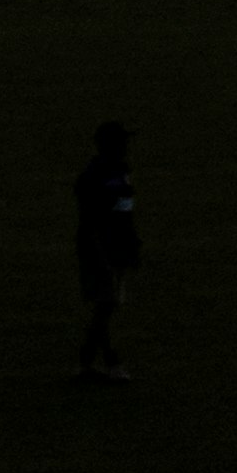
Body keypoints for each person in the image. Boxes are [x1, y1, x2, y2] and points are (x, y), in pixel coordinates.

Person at [72, 123, 139, 384]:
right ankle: (108, 361)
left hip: (116, 244)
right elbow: (91, 219)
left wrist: (131, 240)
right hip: (101, 246)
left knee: (106, 305)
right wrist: (102, 254)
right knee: (106, 304)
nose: (126, 147)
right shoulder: (95, 175)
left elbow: (124, 207)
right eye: (121, 142)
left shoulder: (120, 170)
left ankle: (87, 363)